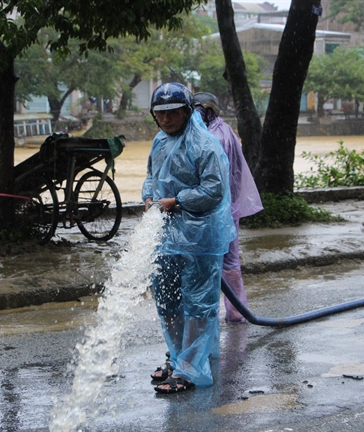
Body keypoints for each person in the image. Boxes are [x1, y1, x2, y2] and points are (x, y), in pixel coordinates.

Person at [142, 82, 236, 393]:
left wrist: (177, 202)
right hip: (166, 235)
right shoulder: (159, 142)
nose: (166, 119)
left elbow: (213, 190)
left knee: (198, 303)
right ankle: (178, 355)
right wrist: (149, 198)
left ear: (186, 111)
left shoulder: (203, 145)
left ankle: (191, 369)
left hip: (199, 237)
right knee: (168, 299)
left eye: (172, 112)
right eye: (160, 113)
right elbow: (151, 177)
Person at [194, 92, 263, 324]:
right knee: (230, 262)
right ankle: (236, 312)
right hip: (228, 209)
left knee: (209, 262)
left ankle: (208, 315)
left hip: (215, 210)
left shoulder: (210, 136)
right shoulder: (226, 131)